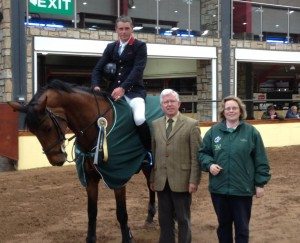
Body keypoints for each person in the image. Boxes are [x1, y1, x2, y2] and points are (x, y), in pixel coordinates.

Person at [198, 96, 271, 243]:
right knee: (223, 227)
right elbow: (202, 153)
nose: (231, 111)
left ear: (240, 110)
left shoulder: (251, 132)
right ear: (223, 112)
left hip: (242, 189)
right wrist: (210, 164)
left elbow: (261, 160)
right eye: (228, 108)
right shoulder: (214, 132)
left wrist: (260, 183)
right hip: (219, 189)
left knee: (242, 228)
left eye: (234, 108)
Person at [91, 15, 152, 161]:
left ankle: (148, 151)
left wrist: (123, 88)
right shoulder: (111, 47)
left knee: (139, 118)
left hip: (134, 91)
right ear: (116, 30)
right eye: (121, 29)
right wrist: (96, 85)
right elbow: (97, 69)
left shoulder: (139, 46)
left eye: (126, 29)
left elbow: (137, 70)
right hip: (113, 92)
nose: (123, 32)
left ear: (132, 29)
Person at [150, 89, 201, 243]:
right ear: (161, 106)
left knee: (183, 219)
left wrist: (194, 180)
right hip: (161, 181)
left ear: (179, 103)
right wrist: (153, 177)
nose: (169, 104)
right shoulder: (155, 124)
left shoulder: (192, 124)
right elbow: (154, 154)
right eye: (166, 102)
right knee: (164, 219)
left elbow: (196, 156)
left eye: (172, 101)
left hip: (183, 181)